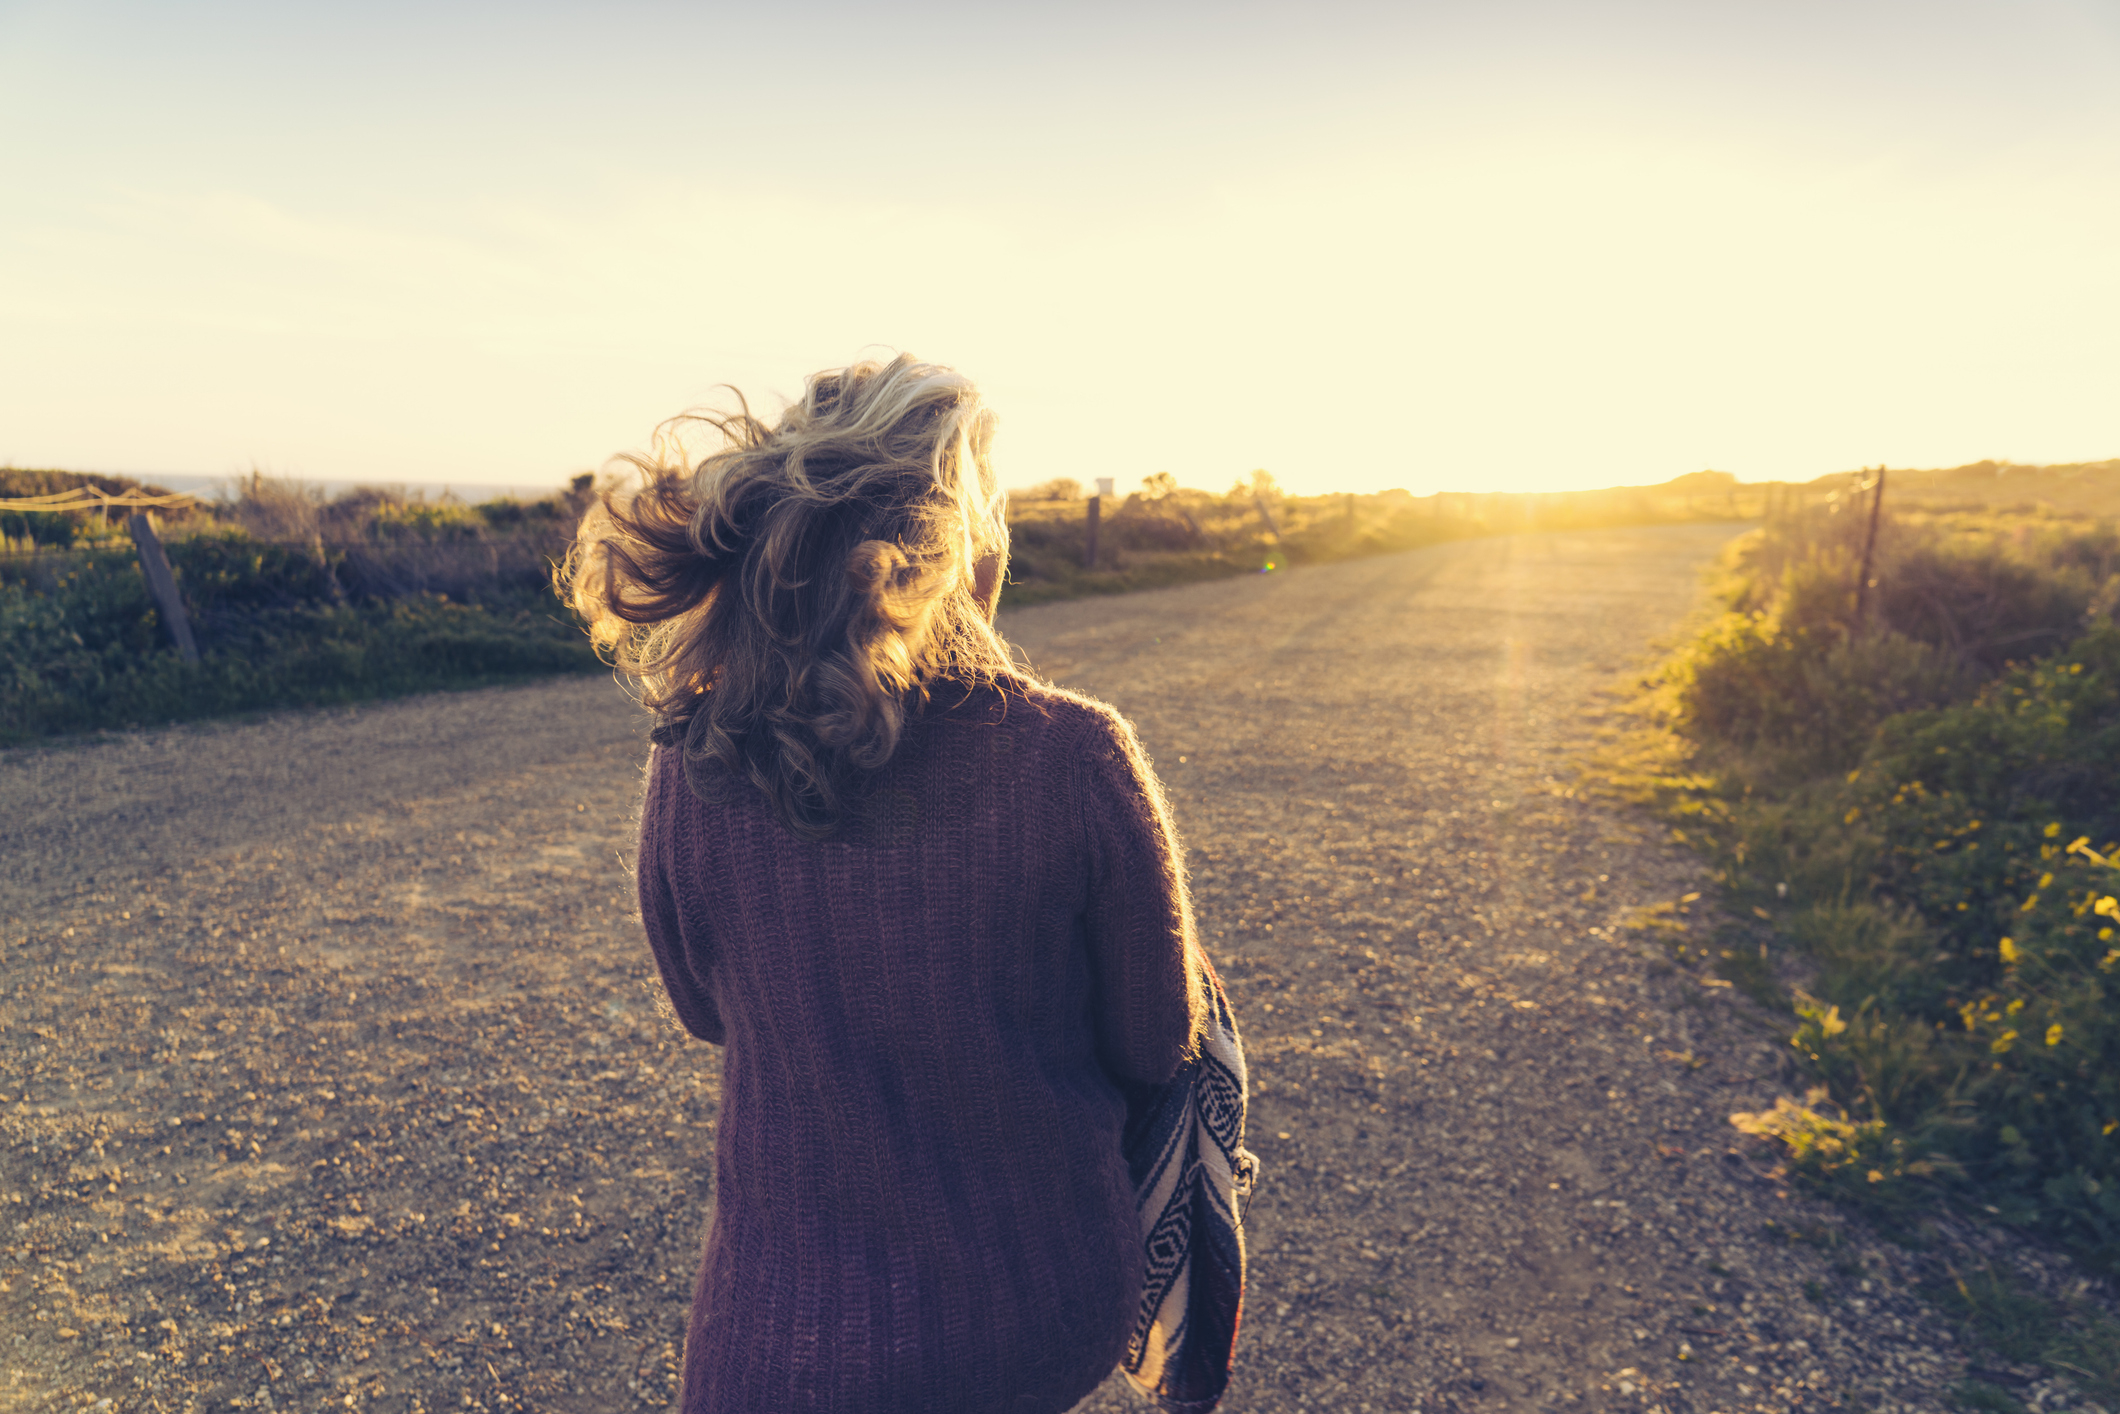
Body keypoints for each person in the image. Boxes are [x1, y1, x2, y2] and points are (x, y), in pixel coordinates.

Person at [562, 354, 1211, 1414]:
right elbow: (1156, 1040)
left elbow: (702, 1009)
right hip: (1027, 1312)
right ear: (956, 549)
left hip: (765, 1345)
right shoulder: (1072, 757)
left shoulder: (697, 751)